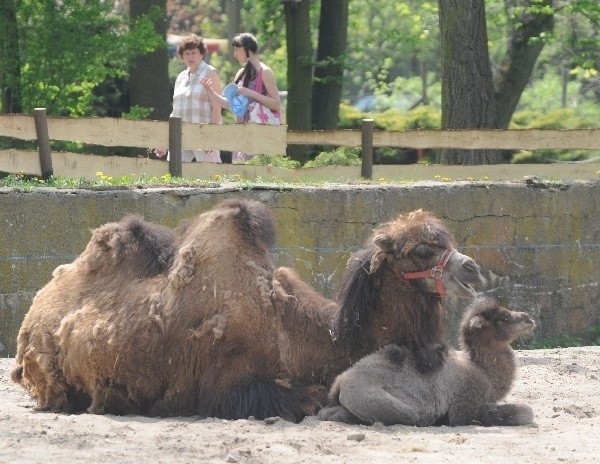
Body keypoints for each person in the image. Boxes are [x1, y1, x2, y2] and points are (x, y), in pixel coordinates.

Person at [201, 32, 281, 161]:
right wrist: (209, 91)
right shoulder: (241, 73)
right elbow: (229, 104)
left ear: (247, 49)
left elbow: (276, 104)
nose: (235, 54)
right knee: (241, 172)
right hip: (242, 132)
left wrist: (250, 93)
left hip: (260, 133)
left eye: (237, 49)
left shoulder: (265, 72)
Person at [156, 34, 223, 163]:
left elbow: (217, 108)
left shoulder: (210, 73)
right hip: (180, 135)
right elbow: (175, 112)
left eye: (193, 53)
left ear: (202, 54)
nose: (190, 57)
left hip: (203, 134)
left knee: (211, 176)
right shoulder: (180, 77)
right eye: (186, 53)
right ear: (182, 56)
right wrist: (164, 140)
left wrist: (212, 137)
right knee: (174, 175)